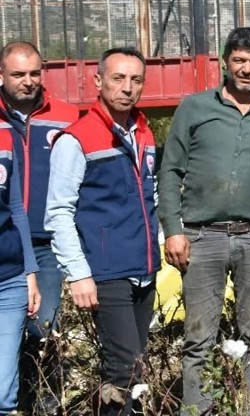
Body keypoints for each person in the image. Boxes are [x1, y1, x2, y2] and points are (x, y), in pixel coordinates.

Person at [157, 27, 250, 414]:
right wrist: (173, 230)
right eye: (240, 60)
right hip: (201, 237)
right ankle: (198, 410)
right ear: (225, 62)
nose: (247, 69)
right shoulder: (195, 108)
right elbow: (170, 171)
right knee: (198, 338)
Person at [44, 48, 156, 416]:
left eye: (135, 80)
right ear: (98, 81)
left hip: (144, 270)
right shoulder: (77, 139)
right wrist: (78, 273)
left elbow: (150, 196)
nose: (127, 88)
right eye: (118, 79)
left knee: (135, 372)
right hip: (106, 273)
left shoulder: (143, 132)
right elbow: (59, 211)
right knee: (124, 369)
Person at [0, 41, 78, 415]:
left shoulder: (66, 117)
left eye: (34, 73)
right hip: (4, 243)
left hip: (46, 245)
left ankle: (42, 405)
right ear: (1, 74)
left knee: (42, 330)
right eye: (18, 74)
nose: (28, 81)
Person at [0, 113, 40, 415]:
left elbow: (16, 208)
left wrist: (30, 271)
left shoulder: (5, 134)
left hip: (10, 278)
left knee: (3, 393)